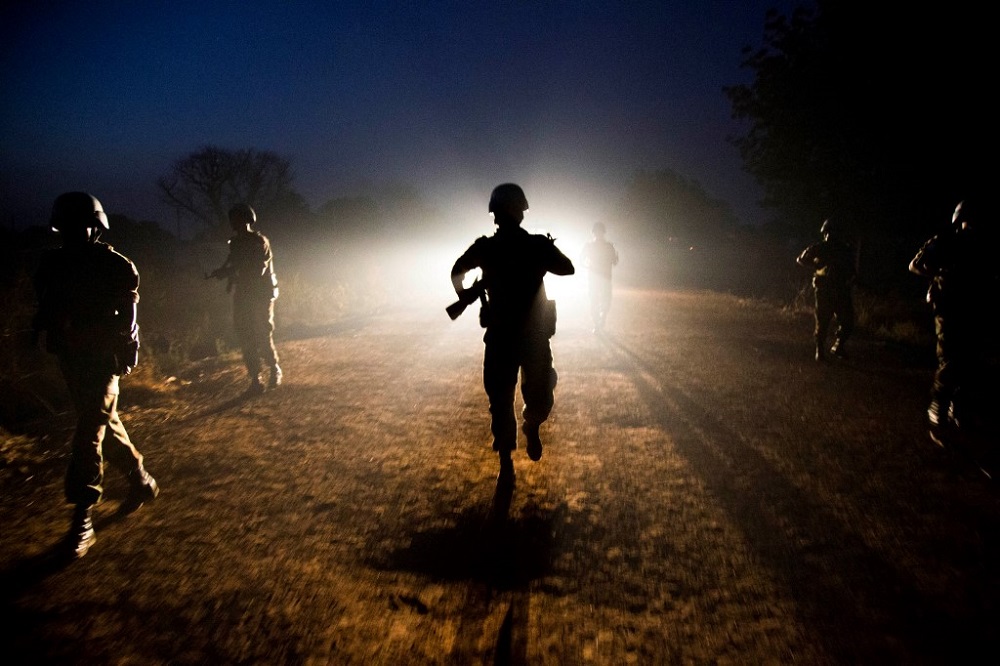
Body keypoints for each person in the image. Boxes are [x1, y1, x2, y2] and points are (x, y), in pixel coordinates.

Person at [32, 192, 159, 559]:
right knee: (103, 423)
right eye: (67, 227)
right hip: (71, 359)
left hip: (104, 359)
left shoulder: (115, 265)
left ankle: (82, 518)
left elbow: (129, 313)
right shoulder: (52, 264)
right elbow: (47, 305)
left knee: (88, 431)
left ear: (95, 227)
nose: (74, 233)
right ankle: (140, 479)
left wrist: (129, 346)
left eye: (80, 226)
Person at [451, 183, 575, 486]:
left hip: (503, 336)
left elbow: (456, 272)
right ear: (521, 212)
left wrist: (467, 294)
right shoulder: (535, 245)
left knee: (501, 399)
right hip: (531, 336)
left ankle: (506, 463)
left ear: (494, 215)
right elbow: (567, 268)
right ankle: (529, 428)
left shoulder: (486, 248)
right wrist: (545, 251)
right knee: (536, 393)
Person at [909, 199, 994, 443]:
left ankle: (958, 410)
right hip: (948, 308)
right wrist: (938, 276)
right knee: (950, 361)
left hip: (972, 309)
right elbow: (915, 265)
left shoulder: (982, 246)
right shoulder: (945, 242)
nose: (972, 225)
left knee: (969, 361)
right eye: (969, 221)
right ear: (960, 221)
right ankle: (937, 409)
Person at [208, 203, 282, 393]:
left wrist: (232, 271)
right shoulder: (236, 243)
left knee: (262, 332)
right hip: (244, 292)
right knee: (245, 333)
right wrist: (224, 272)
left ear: (246, 219)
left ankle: (274, 368)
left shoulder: (259, 242)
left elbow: (258, 269)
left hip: (261, 292)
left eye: (237, 218)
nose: (234, 222)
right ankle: (255, 378)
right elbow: (235, 265)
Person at [796, 218, 856, 361]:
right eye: (829, 232)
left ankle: (838, 346)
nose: (831, 235)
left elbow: (852, 270)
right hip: (824, 290)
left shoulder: (845, 250)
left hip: (841, 289)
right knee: (823, 322)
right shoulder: (819, 248)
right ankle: (820, 351)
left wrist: (850, 279)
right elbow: (801, 259)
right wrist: (816, 265)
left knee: (847, 321)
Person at [581, 222, 619, 332]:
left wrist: (588, 266)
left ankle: (598, 321)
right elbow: (614, 262)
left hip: (597, 277)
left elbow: (581, 260)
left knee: (597, 300)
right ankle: (599, 321)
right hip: (603, 277)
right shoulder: (608, 246)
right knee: (600, 300)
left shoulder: (590, 246)